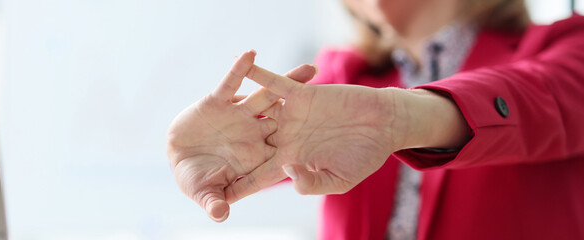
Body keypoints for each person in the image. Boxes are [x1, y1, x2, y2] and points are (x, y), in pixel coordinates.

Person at [166, 0, 584, 239]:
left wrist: (395, 118)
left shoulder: (566, 45)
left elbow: (539, 94)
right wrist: (219, 154)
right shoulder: (338, 77)